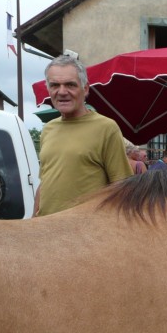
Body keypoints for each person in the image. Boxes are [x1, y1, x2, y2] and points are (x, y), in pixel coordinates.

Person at [34, 55, 133, 216]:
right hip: (46, 231)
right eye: (54, 85)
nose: (62, 92)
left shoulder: (106, 128)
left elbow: (121, 188)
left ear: (85, 89)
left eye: (70, 85)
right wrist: (33, 221)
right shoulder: (48, 129)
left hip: (84, 235)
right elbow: (44, 182)